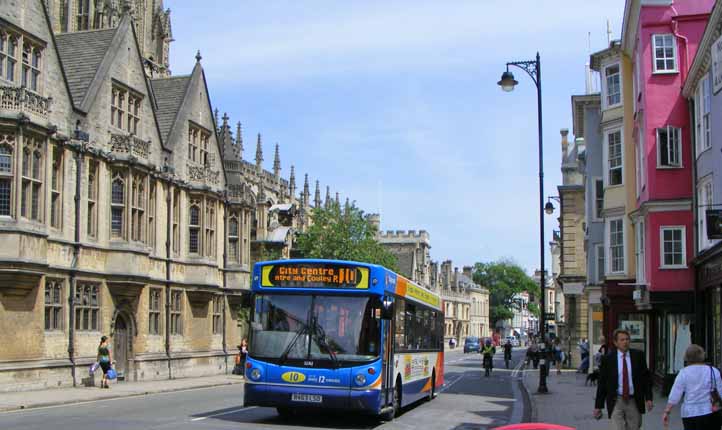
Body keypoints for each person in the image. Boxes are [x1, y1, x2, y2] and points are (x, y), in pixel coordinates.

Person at [593, 329, 653, 430]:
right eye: (622, 340)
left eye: (627, 339)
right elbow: (602, 383)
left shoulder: (638, 356)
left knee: (634, 427)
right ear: (615, 342)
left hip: (633, 400)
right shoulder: (608, 359)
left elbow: (646, 379)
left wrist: (648, 398)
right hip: (616, 400)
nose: (625, 342)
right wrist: (598, 406)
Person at [662, 344, 722, 429]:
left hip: (690, 413)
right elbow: (720, 391)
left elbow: (675, 394)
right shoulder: (713, 371)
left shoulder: (683, 373)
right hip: (710, 411)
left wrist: (667, 411)